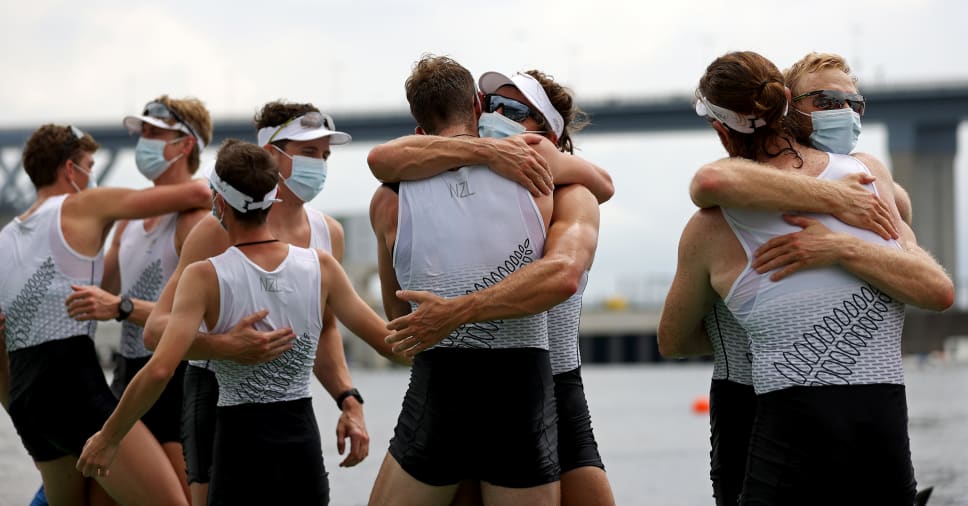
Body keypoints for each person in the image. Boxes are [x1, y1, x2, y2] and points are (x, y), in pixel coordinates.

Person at [657, 51, 953, 505]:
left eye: (854, 104)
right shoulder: (865, 181)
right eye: (828, 102)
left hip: (777, 428)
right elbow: (712, 181)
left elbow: (674, 340)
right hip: (866, 437)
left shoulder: (711, 227)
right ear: (788, 107)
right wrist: (836, 202)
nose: (845, 114)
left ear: (720, 129)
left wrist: (838, 248)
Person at [75, 139, 392, 504]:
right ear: (274, 198)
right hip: (301, 448)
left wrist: (109, 437)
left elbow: (160, 368)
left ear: (219, 202)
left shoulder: (205, 276)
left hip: (238, 449)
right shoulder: (320, 266)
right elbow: (387, 340)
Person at [370, 68, 615, 506]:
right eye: (494, 105)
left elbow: (565, 268)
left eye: (515, 110)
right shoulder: (428, 184)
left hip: (552, 386)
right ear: (478, 109)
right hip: (486, 384)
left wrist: (453, 312)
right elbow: (383, 159)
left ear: (548, 131)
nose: (499, 115)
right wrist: (482, 152)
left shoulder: (566, 188)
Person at [0, 124, 211, 506]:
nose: (92, 175)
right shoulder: (82, 204)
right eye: (90, 165)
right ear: (70, 170)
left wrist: (18, 411)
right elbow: (199, 192)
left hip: (25, 400)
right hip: (73, 388)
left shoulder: (5, 239)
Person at [64, 95, 213, 502]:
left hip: (176, 382)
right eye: (141, 132)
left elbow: (198, 319)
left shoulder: (195, 220)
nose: (141, 141)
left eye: (152, 133)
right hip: (127, 377)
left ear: (184, 145)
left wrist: (121, 309)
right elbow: (98, 287)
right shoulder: (128, 225)